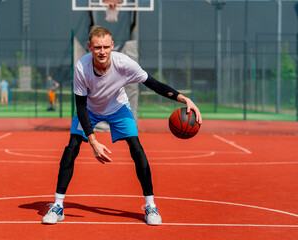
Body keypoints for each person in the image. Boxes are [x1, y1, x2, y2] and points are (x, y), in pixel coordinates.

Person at [42, 26, 202, 226]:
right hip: (89, 110)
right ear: (89, 47)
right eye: (98, 47)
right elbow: (81, 107)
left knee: (137, 148)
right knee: (72, 147)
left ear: (112, 46)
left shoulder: (124, 64)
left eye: (106, 47)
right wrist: (93, 142)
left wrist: (184, 99)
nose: (102, 51)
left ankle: (150, 206)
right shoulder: (81, 67)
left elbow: (153, 84)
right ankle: (57, 205)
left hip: (118, 107)